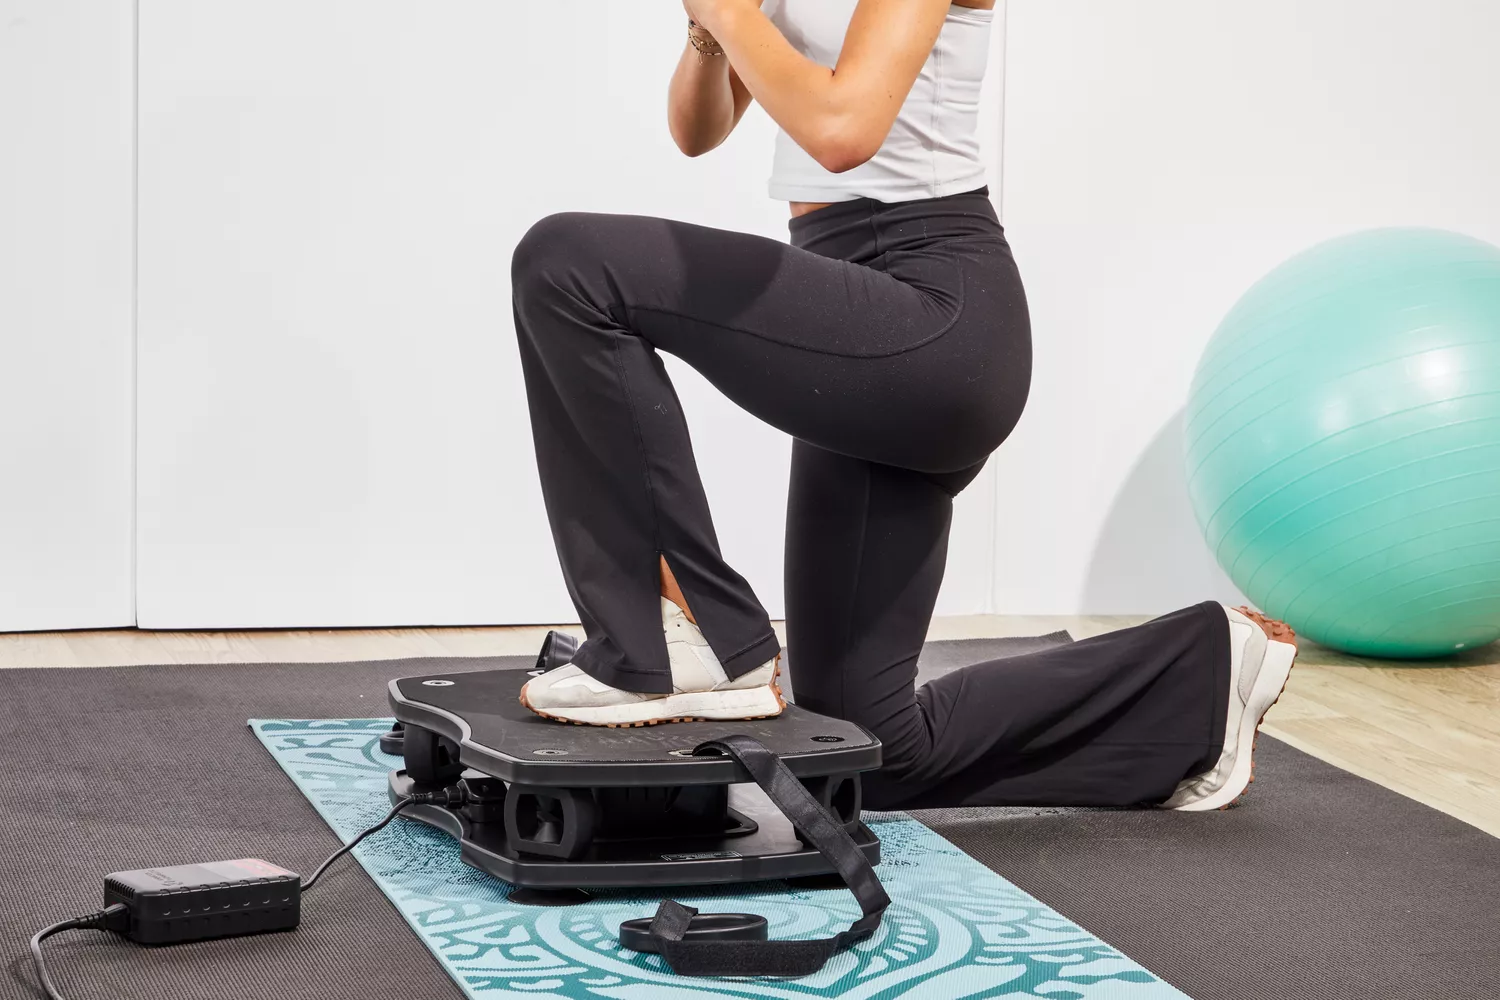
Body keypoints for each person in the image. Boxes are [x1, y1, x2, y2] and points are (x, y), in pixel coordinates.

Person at [510, 0, 1298, 813]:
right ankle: (1203, 672)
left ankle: (680, 640)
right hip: (856, 314)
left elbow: (843, 128)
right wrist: (709, 30)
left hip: (934, 312)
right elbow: (696, 127)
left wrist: (727, 10)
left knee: (569, 262)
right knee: (864, 749)